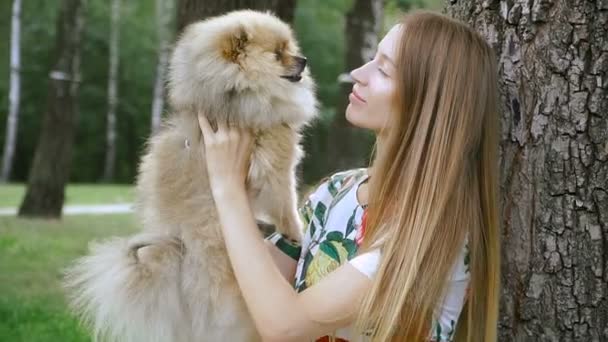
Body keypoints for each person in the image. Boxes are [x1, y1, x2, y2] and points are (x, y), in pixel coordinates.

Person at [197, 10, 500, 342]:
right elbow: (250, 279)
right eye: (372, 59)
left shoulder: (433, 232)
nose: (358, 73)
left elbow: (285, 326)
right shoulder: (338, 190)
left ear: (427, 103)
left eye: (383, 70)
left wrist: (228, 188)